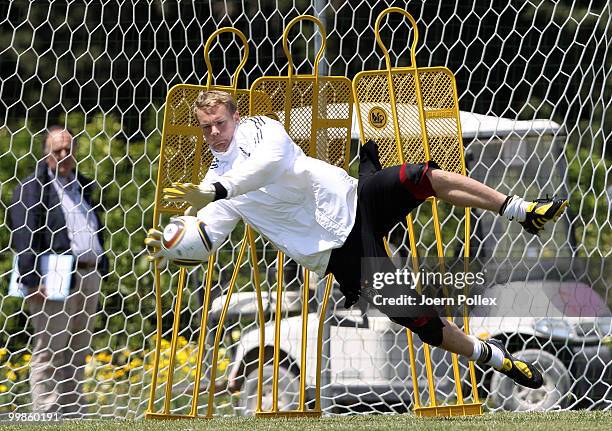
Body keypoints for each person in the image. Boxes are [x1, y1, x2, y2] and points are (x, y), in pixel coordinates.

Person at [146, 90, 568, 390]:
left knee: (420, 177)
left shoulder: (262, 131)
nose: (215, 132)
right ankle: (495, 358)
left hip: (354, 200)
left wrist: (216, 192)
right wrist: (170, 247)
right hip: (337, 254)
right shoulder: (214, 182)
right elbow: (207, 235)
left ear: (235, 117)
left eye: (220, 122)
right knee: (415, 318)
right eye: (206, 128)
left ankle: (520, 209)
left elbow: (269, 166)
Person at [8, 126, 108, 416]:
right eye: (57, 149)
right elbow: (23, 235)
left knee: (78, 351)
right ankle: (47, 414)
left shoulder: (82, 186)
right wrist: (30, 279)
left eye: (68, 149)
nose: (63, 155)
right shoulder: (32, 188)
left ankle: (73, 413)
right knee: (50, 350)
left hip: (89, 276)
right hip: (53, 277)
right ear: (45, 152)